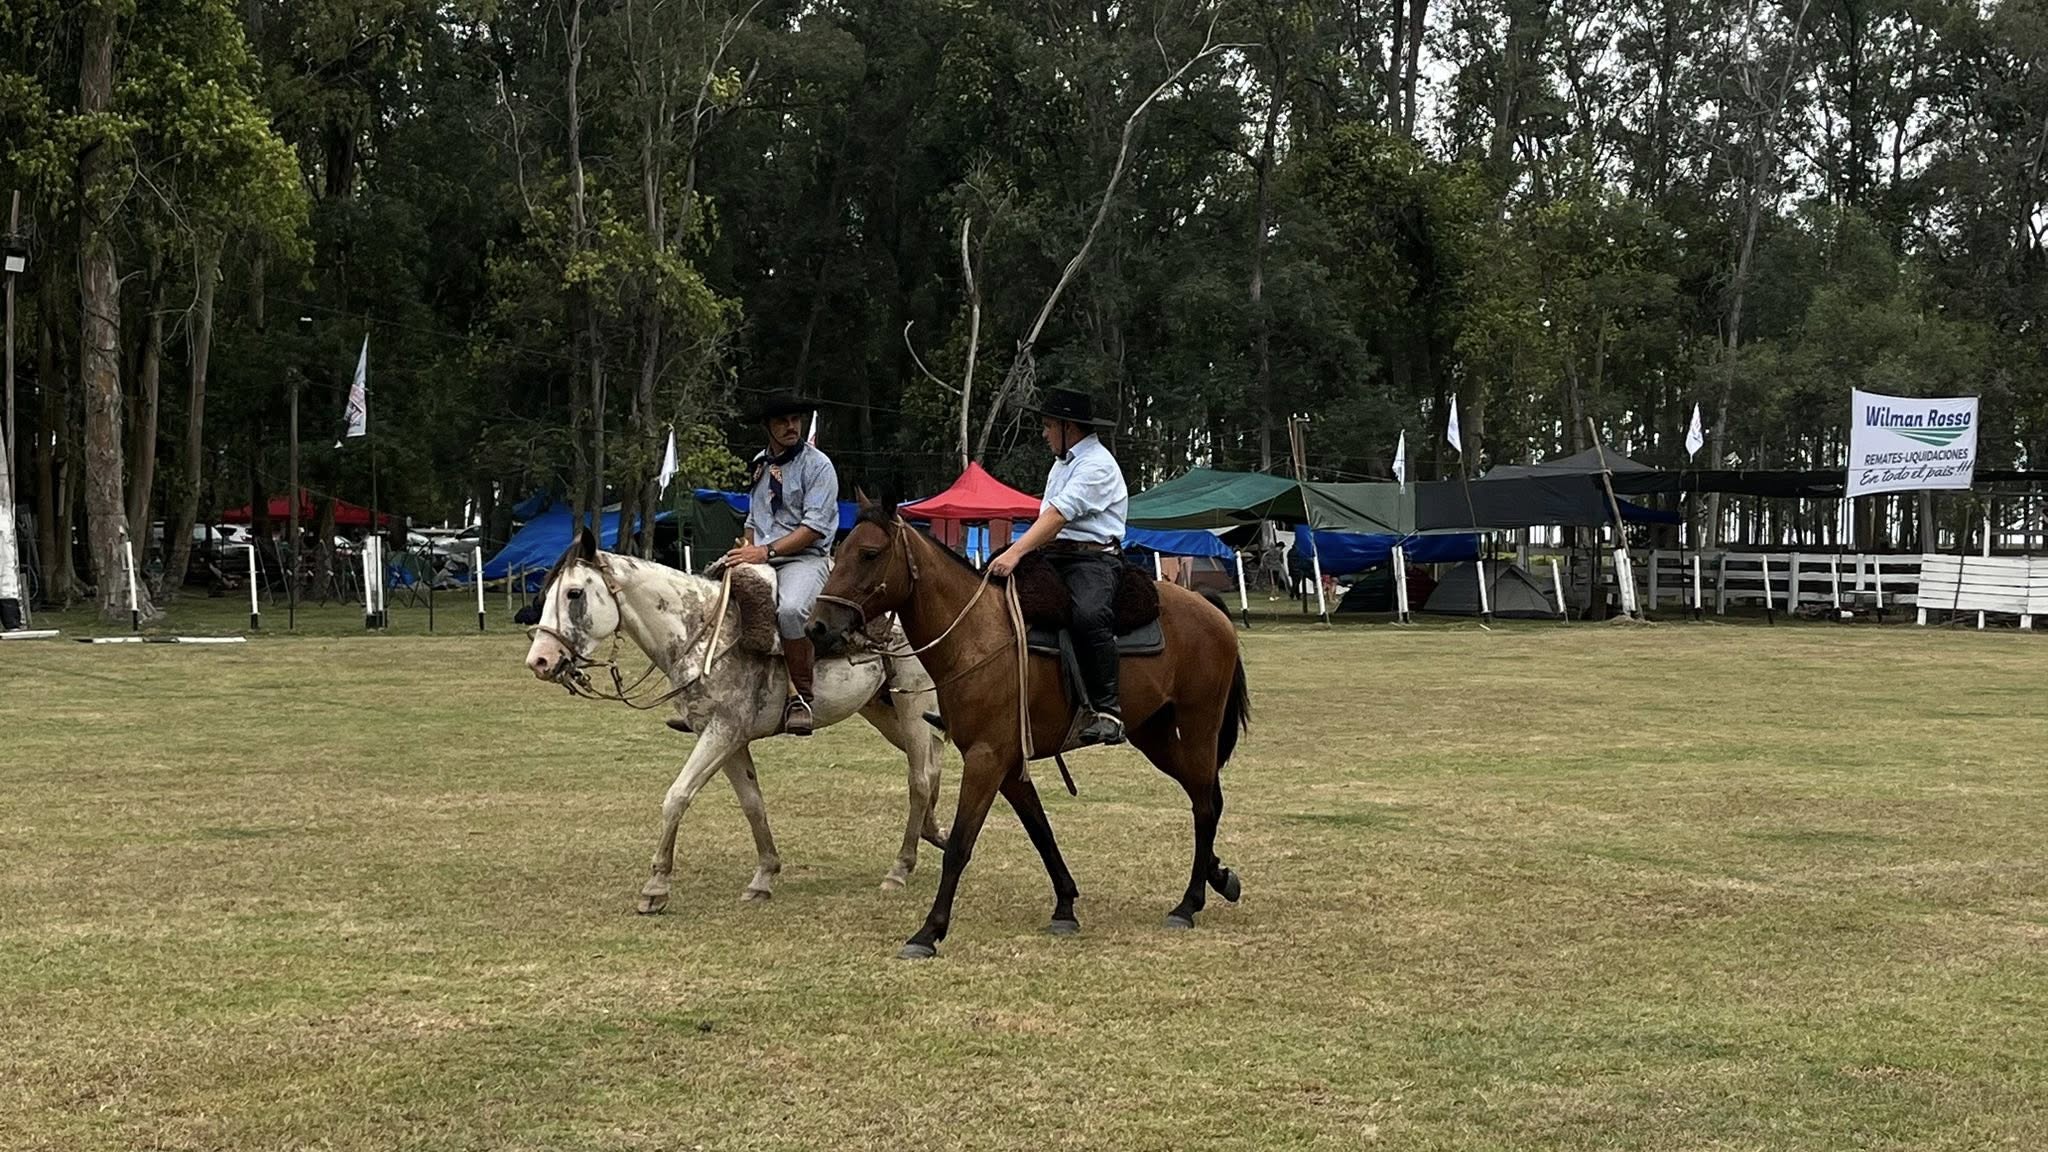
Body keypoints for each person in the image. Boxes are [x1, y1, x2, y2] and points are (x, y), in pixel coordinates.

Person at [987, 387, 1129, 746]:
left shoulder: (1097, 465)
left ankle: (1108, 711)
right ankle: (982, 702)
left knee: (1088, 615)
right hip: (1056, 556)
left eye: (1049, 425)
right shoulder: (1063, 463)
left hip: (1093, 560)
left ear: (1069, 427)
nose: (1044, 433)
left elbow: (1056, 516)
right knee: (991, 598)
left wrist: (1015, 553)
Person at [723, 393, 837, 736]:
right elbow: (754, 518)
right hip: (763, 554)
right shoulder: (760, 463)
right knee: (716, 597)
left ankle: (800, 698)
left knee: (790, 611)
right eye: (781, 421)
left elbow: (813, 528)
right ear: (767, 427)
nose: (791, 427)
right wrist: (744, 550)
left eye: (795, 420)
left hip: (805, 558)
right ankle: (717, 696)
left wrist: (764, 552)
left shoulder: (819, 466)